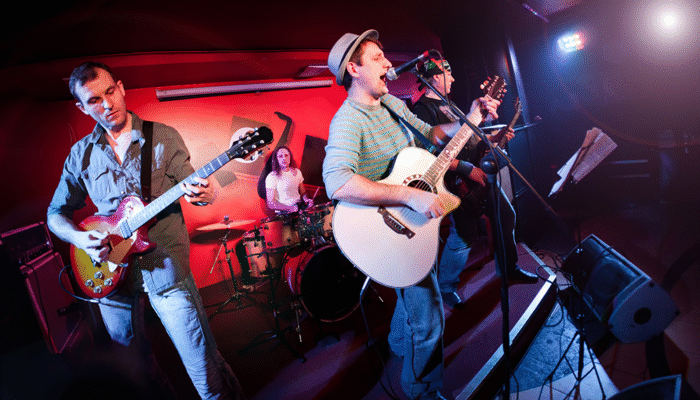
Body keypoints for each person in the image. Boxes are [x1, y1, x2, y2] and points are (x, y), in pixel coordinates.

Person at [47, 61, 244, 400]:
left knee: (202, 365)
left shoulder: (163, 136)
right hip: (109, 275)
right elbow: (55, 213)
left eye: (111, 92)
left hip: (166, 270)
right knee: (134, 371)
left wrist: (207, 192)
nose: (107, 104)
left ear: (121, 88)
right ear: (81, 107)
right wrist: (80, 238)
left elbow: (193, 184)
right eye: (94, 100)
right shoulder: (80, 155)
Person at [322, 30, 501, 400]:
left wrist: (472, 117)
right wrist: (408, 195)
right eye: (377, 57)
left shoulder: (391, 102)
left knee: (415, 299)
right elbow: (337, 182)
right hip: (387, 231)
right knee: (431, 319)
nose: (389, 63)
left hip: (413, 225)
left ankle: (399, 345)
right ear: (354, 69)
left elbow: (432, 135)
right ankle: (420, 391)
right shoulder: (348, 120)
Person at [411, 58, 538, 308]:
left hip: (479, 177)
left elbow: (471, 136)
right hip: (456, 184)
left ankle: (508, 268)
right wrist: (468, 170)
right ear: (435, 77)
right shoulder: (422, 110)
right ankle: (446, 287)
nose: (453, 78)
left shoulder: (451, 105)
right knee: (463, 236)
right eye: (448, 73)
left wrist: (496, 136)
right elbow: (428, 154)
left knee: (506, 217)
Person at [265, 146, 313, 213]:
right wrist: (290, 208)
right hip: (284, 213)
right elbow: (271, 203)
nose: (284, 158)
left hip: (299, 208)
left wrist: (306, 199)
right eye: (280, 156)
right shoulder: (272, 176)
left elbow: (303, 192)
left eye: (286, 155)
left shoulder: (297, 172)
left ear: (290, 157)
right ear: (276, 159)